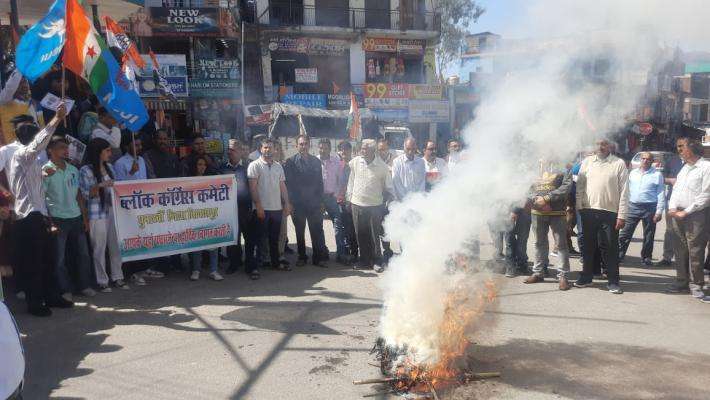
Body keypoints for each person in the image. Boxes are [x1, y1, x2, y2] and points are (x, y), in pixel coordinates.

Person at [8, 104, 72, 316]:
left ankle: (51, 296)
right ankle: (35, 303)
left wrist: (43, 176)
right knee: (34, 263)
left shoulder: (31, 159)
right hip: (28, 217)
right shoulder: (22, 154)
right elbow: (38, 143)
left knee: (48, 259)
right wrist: (56, 119)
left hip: (40, 214)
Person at [42, 136, 95, 302]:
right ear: (50, 150)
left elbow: (78, 194)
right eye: (61, 147)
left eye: (66, 148)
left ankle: (84, 285)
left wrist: (85, 217)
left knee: (83, 254)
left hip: (76, 216)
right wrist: (49, 222)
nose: (66, 151)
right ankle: (64, 289)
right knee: (59, 258)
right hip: (57, 217)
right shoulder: (45, 170)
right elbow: (42, 198)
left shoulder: (73, 169)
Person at [575, 139, 629, 294]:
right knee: (588, 247)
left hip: (610, 213)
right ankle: (586, 276)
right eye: (597, 143)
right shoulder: (586, 162)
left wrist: (622, 215)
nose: (600, 146)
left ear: (610, 146)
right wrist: (580, 206)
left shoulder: (618, 163)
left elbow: (625, 190)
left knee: (610, 248)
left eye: (604, 143)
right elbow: (580, 186)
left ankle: (613, 281)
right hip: (588, 211)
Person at [80, 138, 129, 293]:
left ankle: (117, 276)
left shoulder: (110, 167)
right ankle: (102, 280)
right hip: (96, 214)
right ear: (98, 152)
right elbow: (85, 194)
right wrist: (100, 185)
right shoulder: (85, 170)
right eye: (107, 150)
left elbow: (117, 188)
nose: (110, 153)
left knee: (115, 246)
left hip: (111, 211)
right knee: (99, 248)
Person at [665, 137, 710, 301]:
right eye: (678, 147)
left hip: (696, 215)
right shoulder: (684, 168)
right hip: (677, 213)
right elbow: (676, 189)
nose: (679, 150)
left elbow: (706, 194)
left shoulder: (706, 167)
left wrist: (687, 211)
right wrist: (672, 207)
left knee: (695, 250)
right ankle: (682, 282)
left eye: (681, 147)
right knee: (680, 249)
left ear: (691, 148)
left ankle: (697, 285)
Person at [346, 139, 394, 272]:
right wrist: (349, 199)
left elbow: (389, 187)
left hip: (375, 206)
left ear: (373, 151)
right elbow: (351, 181)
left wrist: (389, 201)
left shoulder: (383, 167)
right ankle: (364, 261)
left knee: (374, 235)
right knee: (361, 234)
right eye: (362, 148)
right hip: (357, 204)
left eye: (365, 149)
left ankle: (377, 261)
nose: (362, 151)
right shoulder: (356, 162)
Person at [524, 164, 574, 290]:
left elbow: (566, 187)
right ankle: (538, 272)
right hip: (537, 212)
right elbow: (527, 188)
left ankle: (563, 276)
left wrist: (547, 199)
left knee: (561, 244)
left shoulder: (564, 168)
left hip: (557, 212)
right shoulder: (535, 167)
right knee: (539, 243)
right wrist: (537, 200)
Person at [247, 139, 292, 277]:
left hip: (276, 209)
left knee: (274, 238)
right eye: (265, 147)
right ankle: (253, 268)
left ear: (274, 150)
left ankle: (275, 263)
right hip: (261, 209)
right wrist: (258, 206)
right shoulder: (254, 165)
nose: (268, 150)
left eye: (270, 147)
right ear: (261, 149)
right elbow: (252, 188)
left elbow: (282, 187)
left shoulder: (278, 166)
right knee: (257, 239)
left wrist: (287, 203)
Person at [284, 135, 327, 267]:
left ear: (309, 145)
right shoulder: (290, 162)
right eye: (301, 144)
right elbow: (288, 184)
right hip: (298, 204)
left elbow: (320, 183)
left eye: (306, 144)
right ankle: (302, 257)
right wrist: (290, 203)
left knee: (316, 231)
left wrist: (321, 202)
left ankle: (317, 258)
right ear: (297, 146)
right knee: (299, 231)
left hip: (314, 203)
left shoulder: (316, 162)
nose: (304, 146)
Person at [617, 152, 665, 266]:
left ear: (652, 161)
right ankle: (619, 255)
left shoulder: (657, 175)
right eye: (643, 159)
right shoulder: (633, 173)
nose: (645, 161)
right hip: (632, 206)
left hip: (649, 207)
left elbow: (661, 193)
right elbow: (626, 190)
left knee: (649, 235)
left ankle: (646, 257)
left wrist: (659, 211)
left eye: (648, 159)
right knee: (625, 233)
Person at [188, 156, 225, 281]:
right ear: (195, 166)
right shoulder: (188, 181)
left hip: (210, 216)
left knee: (213, 244)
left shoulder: (212, 181)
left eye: (204, 164)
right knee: (197, 245)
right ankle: (196, 270)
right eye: (199, 164)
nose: (202, 167)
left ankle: (214, 270)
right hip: (196, 216)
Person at [221, 139, 254, 275]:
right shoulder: (222, 168)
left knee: (249, 238)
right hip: (229, 211)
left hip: (246, 209)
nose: (230, 152)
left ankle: (250, 264)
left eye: (233, 149)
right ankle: (234, 263)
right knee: (232, 239)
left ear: (240, 151)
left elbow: (255, 188)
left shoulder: (249, 167)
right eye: (229, 149)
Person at [318, 138, 348, 264]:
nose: (323, 150)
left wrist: (338, 196)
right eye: (321, 148)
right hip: (319, 199)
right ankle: (322, 252)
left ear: (330, 149)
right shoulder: (314, 161)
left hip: (333, 198)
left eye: (325, 148)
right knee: (318, 226)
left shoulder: (336, 161)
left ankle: (341, 254)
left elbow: (341, 180)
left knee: (338, 226)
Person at [657, 153, 684, 266]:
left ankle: (684, 261)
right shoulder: (672, 160)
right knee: (670, 230)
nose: (681, 149)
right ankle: (667, 258)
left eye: (684, 146)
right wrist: (671, 180)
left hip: (691, 203)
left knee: (688, 233)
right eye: (679, 147)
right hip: (672, 201)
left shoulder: (698, 163)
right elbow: (661, 178)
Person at [337, 141, 357, 261]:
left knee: (352, 229)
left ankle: (354, 253)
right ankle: (344, 253)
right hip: (340, 201)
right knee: (342, 229)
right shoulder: (338, 165)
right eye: (342, 149)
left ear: (351, 151)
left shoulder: (354, 165)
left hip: (352, 201)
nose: (344, 152)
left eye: (346, 149)